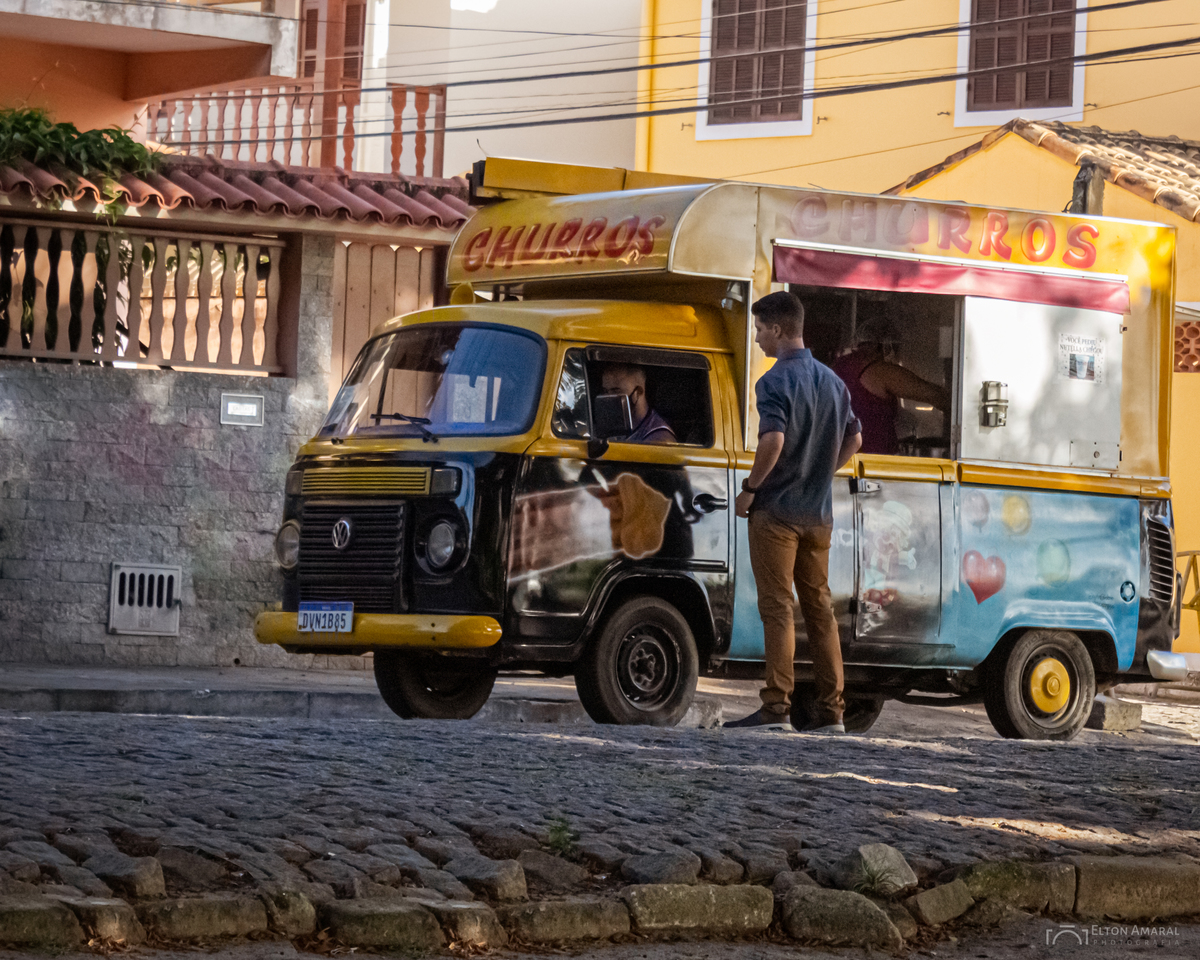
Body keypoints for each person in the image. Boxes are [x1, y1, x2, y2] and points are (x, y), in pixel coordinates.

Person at [726, 291, 862, 734]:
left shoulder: (773, 382)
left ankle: (776, 709)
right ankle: (831, 713)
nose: (759, 338)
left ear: (779, 329)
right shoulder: (834, 382)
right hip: (818, 514)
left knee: (778, 608)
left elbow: (773, 441)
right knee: (820, 611)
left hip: (778, 513)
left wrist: (751, 488)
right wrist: (823, 470)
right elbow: (855, 440)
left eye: (761, 330)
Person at [830, 317, 948, 456]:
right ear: (881, 345)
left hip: (843, 457)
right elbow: (934, 395)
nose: (896, 352)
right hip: (873, 460)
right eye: (894, 346)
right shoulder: (878, 370)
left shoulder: (840, 365)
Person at [600, 363, 676, 444]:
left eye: (616, 392)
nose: (608, 398)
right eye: (605, 391)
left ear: (638, 392)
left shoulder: (659, 440)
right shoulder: (616, 426)